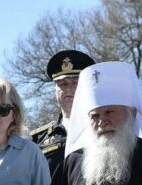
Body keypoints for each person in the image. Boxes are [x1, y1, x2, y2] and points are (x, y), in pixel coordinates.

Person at [30, 49, 96, 177]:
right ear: (55, 88)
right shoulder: (37, 139)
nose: (69, 89)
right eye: (63, 84)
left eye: (76, 83)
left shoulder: (101, 128)